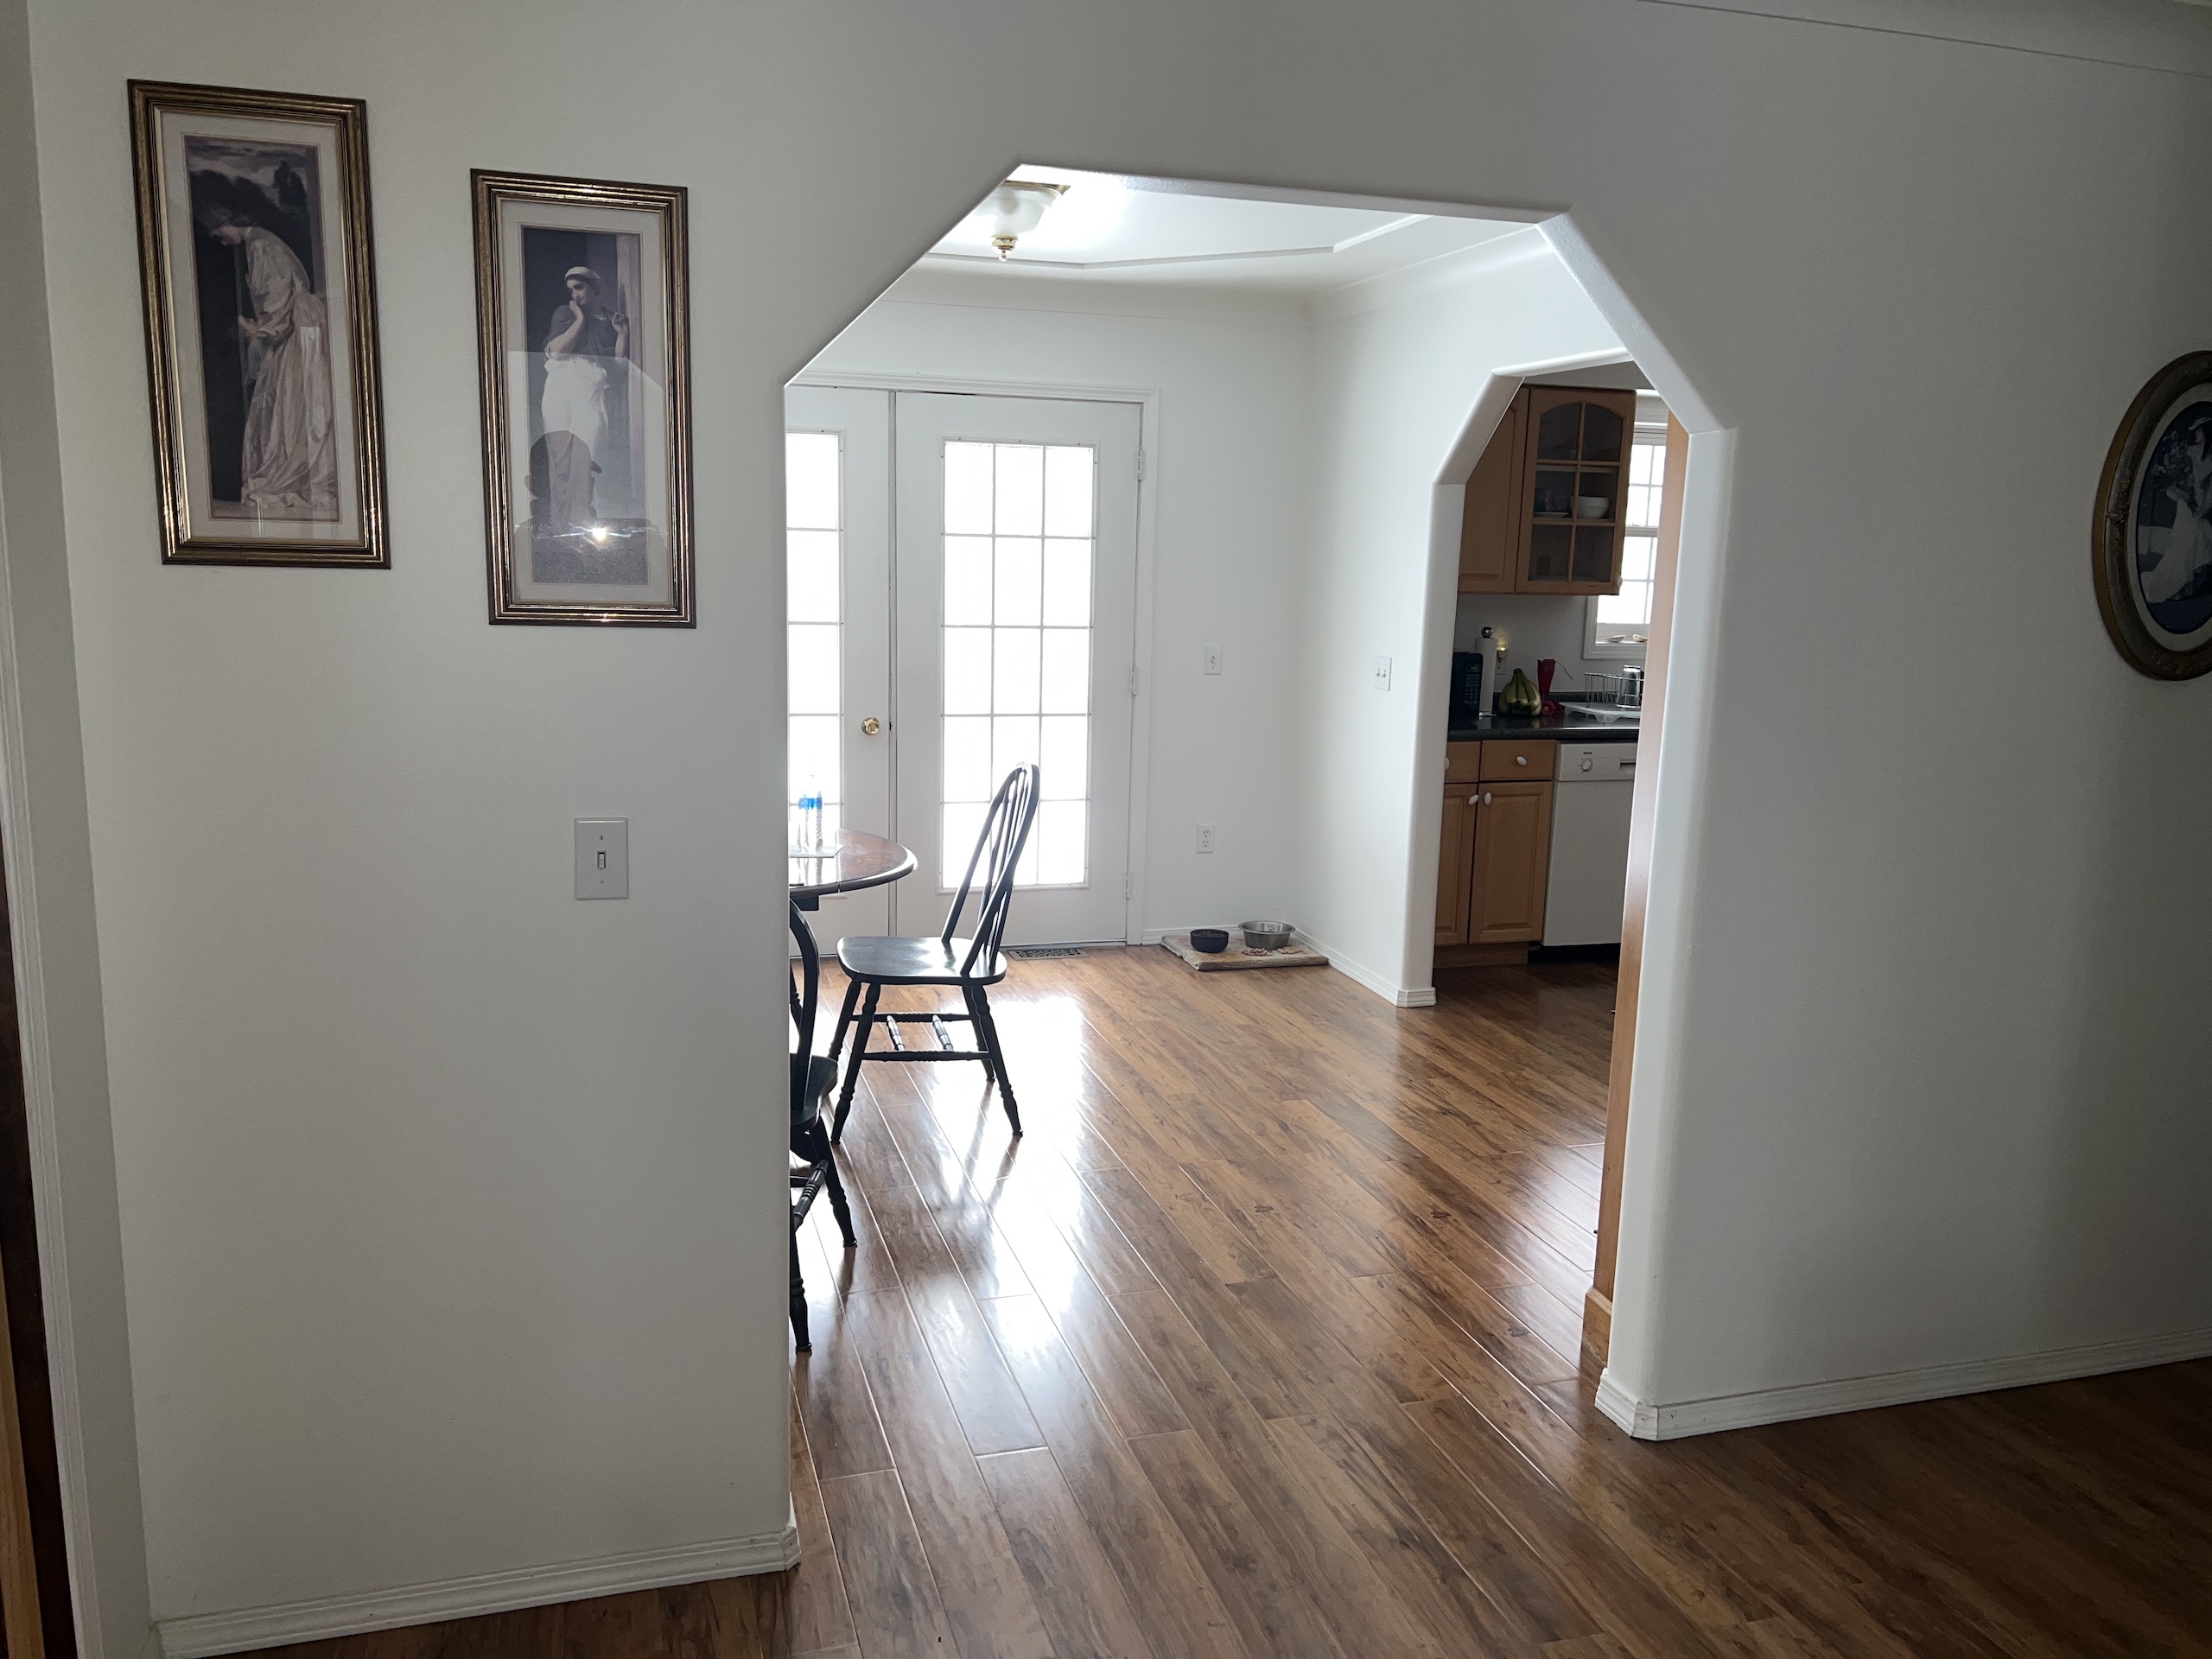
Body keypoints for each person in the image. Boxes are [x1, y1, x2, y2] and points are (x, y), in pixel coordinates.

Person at [204, 206, 338, 520]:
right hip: (295, 328)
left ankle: (293, 478)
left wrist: (260, 330)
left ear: (230, 221)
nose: (218, 237)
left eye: (219, 230)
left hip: (295, 330)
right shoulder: (258, 244)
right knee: (289, 405)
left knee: (291, 405)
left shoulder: (262, 245)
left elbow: (278, 296)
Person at [540, 266, 629, 534]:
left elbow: (618, 365)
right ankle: (561, 523)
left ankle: (585, 519)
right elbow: (557, 353)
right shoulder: (565, 314)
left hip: (590, 387)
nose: (575, 295)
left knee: (588, 454)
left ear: (593, 287)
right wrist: (579, 319)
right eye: (571, 290)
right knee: (561, 456)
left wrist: (622, 334)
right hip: (561, 384)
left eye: (579, 288)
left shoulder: (609, 320)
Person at [2145, 419, 2212, 609]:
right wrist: (2182, 494)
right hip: (2185, 509)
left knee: (2196, 544)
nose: (2196, 435)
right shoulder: (2186, 454)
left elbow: (2207, 491)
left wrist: (2201, 506)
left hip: (2199, 509)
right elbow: (2172, 483)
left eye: (2200, 431)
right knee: (2181, 544)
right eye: (2195, 431)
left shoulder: (2209, 460)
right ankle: (2170, 584)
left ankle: (2186, 587)